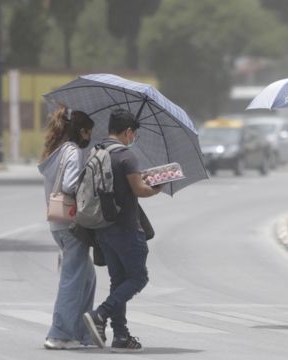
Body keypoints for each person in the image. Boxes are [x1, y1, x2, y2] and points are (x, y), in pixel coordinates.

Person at [83, 109, 163, 353]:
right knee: (138, 278)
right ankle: (101, 314)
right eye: (133, 133)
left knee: (118, 282)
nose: (133, 138)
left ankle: (121, 335)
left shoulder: (96, 151)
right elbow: (140, 190)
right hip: (127, 228)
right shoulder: (126, 156)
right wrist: (158, 185)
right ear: (128, 132)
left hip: (103, 228)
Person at [38, 107, 96, 349]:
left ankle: (81, 333)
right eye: (89, 133)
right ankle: (60, 334)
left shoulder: (57, 150)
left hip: (57, 224)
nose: (90, 137)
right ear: (82, 131)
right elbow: (71, 184)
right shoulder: (72, 152)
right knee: (73, 279)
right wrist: (91, 178)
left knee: (87, 277)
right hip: (71, 224)